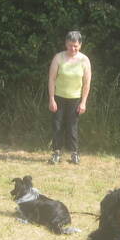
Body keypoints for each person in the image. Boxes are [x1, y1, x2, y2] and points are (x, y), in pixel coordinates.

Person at [47, 30, 92, 164]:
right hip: (59, 97)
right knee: (57, 125)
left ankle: (74, 154)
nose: (72, 48)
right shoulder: (58, 58)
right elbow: (51, 79)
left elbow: (87, 83)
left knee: (72, 126)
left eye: (76, 46)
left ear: (80, 45)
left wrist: (83, 102)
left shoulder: (84, 60)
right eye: (70, 45)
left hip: (75, 98)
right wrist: (51, 99)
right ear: (66, 43)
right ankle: (56, 153)